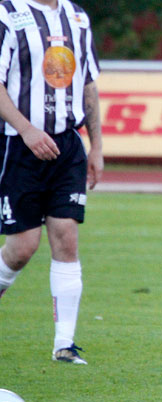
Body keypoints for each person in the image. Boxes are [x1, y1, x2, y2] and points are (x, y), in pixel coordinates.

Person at [0, 0, 103, 365]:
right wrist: (27, 130)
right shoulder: (8, 14)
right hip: (20, 145)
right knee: (23, 247)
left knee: (66, 235)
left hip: (68, 143)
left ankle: (64, 344)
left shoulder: (77, 17)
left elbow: (88, 84)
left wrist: (96, 147)